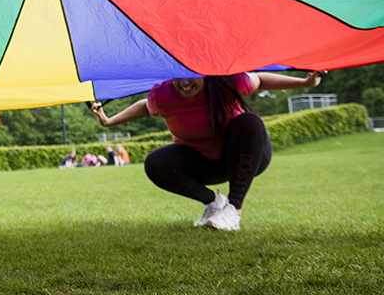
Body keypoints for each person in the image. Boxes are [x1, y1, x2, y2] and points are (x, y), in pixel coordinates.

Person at [91, 71, 322, 230]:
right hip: (205, 164)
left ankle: (234, 210)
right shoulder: (163, 95)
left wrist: (305, 83)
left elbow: (259, 80)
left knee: (249, 121)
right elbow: (145, 106)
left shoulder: (227, 81)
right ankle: (214, 202)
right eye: (177, 76)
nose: (185, 82)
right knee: (155, 162)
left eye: (191, 74)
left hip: (246, 158)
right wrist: (109, 121)